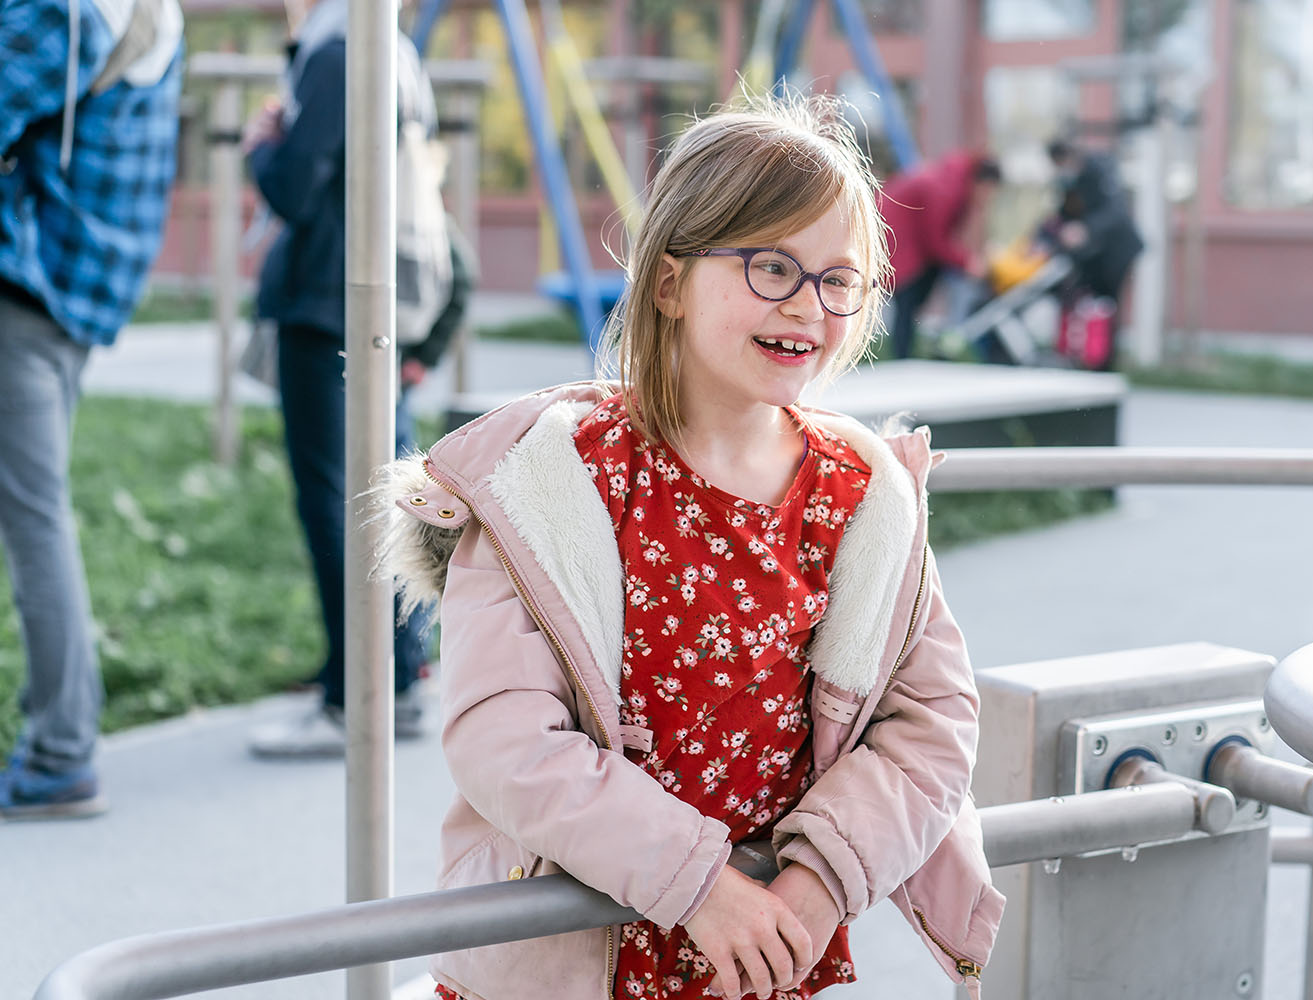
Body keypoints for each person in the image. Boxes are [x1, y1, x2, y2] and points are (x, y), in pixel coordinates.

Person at [374, 94, 1003, 1000]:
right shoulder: (554, 484)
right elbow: (502, 739)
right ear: (668, 282)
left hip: (761, 956)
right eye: (773, 267)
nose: (810, 308)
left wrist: (822, 878)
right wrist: (696, 882)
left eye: (839, 280)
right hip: (568, 953)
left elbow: (933, 726)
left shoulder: (864, 500)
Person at [243, 0, 441, 757]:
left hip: (329, 302)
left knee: (339, 501)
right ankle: (395, 675)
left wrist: (263, 147)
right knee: (382, 493)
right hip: (364, 300)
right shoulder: (386, 51)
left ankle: (358, 699)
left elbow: (295, 185)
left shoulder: (338, 55)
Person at [0, 0, 182, 819]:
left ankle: (62, 751)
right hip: (76, 285)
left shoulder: (60, 9)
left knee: (36, 517)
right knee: (35, 511)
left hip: (27, 280)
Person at [877, 151, 1002, 359]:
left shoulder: (953, 183)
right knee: (907, 301)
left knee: (911, 302)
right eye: (988, 192)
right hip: (897, 239)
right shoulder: (947, 189)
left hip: (904, 240)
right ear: (981, 182)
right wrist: (967, 262)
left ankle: (906, 355)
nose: (987, 199)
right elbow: (935, 241)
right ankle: (902, 359)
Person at [1044, 136, 1144, 369]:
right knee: (1084, 303)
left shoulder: (1100, 170)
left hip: (1117, 251)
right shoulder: (1068, 182)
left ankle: (1105, 365)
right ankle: (1087, 358)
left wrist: (1085, 228)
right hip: (1092, 256)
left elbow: (1115, 211)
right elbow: (1064, 214)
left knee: (1107, 307)